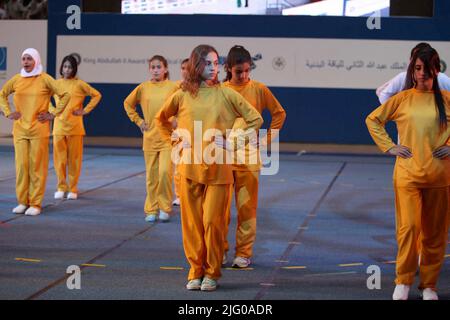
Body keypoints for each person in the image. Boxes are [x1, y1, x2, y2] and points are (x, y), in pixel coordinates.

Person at [155, 44, 263, 291]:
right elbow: (161, 120)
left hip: (219, 171)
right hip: (189, 169)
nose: (214, 68)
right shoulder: (182, 94)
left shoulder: (225, 94)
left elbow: (256, 119)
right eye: (208, 62)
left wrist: (232, 142)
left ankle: (212, 273)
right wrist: (174, 140)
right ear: (196, 64)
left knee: (213, 224)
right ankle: (195, 271)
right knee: (192, 225)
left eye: (216, 63)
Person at [366, 47, 450, 300]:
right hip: (408, 176)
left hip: (440, 177)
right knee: (410, 228)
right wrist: (390, 146)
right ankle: (403, 280)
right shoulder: (402, 98)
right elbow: (373, 120)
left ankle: (429, 286)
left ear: (436, 69)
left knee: (435, 234)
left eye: (426, 68)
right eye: (417, 68)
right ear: (412, 69)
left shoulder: (446, 98)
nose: (422, 73)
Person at [222, 45, 286, 268]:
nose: (244, 76)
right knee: (219, 210)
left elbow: (279, 113)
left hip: (249, 161)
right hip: (222, 160)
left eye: (248, 70)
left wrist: (266, 140)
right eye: (239, 71)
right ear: (228, 69)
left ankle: (243, 252)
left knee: (246, 209)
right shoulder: (219, 90)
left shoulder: (259, 89)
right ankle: (220, 250)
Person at [0, 48, 70, 216]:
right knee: (22, 167)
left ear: (36, 60)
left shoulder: (45, 79)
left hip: (39, 129)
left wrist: (53, 114)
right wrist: (8, 112)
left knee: (36, 167)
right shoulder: (17, 79)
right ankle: (22, 201)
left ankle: (36, 203)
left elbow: (65, 95)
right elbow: (2, 94)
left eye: (29, 59)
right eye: (23, 58)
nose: (26, 62)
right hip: (20, 130)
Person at [124, 55, 178, 223]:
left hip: (167, 138)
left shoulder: (173, 87)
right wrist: (139, 121)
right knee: (151, 177)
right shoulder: (143, 88)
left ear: (165, 69)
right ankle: (151, 209)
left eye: (159, 67)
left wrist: (177, 119)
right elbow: (128, 104)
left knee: (164, 173)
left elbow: (183, 105)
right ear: (149, 69)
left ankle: (165, 207)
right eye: (153, 67)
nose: (155, 70)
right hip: (149, 138)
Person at [50, 55, 102, 200]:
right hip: (59, 127)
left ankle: (73, 188)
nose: (67, 69)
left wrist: (85, 110)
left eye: (70, 67)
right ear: (61, 67)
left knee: (74, 160)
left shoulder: (80, 84)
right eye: (65, 66)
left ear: (74, 69)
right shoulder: (55, 83)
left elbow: (97, 95)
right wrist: (52, 111)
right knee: (59, 159)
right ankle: (61, 186)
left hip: (75, 127)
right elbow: (45, 97)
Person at [376, 42, 450, 104]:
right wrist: (398, 112)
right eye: (415, 58)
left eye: (424, 58)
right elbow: (383, 94)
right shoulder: (402, 78)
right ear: (410, 60)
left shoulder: (441, 78)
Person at [172, 58, 189, 207]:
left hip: (194, 132)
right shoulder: (175, 87)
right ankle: (179, 195)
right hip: (178, 132)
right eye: (182, 68)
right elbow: (166, 106)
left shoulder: (201, 87)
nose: (185, 71)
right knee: (178, 165)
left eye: (188, 68)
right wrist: (172, 119)